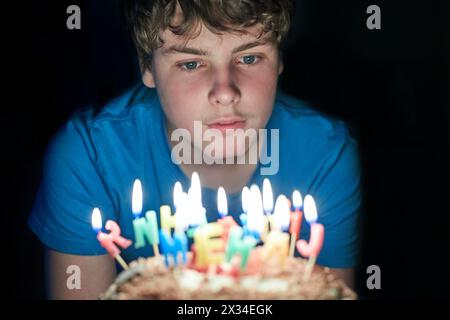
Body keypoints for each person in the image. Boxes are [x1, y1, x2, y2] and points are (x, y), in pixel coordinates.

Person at [29, 0, 361, 299]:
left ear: (278, 61)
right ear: (148, 68)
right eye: (191, 64)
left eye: (249, 57)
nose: (225, 92)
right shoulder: (91, 155)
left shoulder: (325, 154)